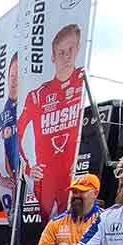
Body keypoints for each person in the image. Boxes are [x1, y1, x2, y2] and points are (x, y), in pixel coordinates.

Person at [17, 24, 85, 221]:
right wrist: (29, 168)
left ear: (78, 49)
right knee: (49, 229)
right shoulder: (38, 95)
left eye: (71, 50)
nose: (66, 57)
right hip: (46, 179)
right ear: (53, 57)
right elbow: (18, 132)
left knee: (75, 225)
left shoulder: (84, 82)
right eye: (61, 52)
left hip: (73, 176)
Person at [0, 52, 20, 215]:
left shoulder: (33, 102)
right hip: (16, 184)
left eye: (18, 76)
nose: (13, 81)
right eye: (11, 76)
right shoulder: (5, 113)